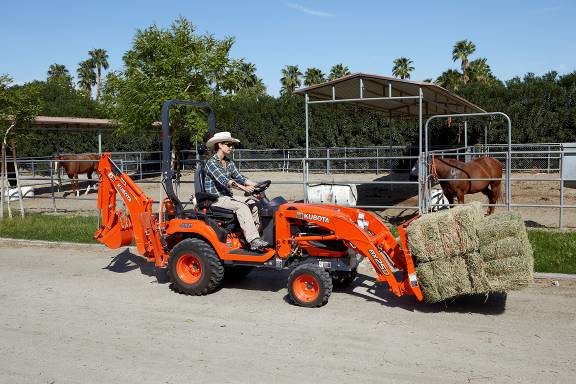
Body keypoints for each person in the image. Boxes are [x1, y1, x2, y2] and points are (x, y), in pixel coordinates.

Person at [204, 132, 270, 251]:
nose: (231, 147)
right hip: (215, 199)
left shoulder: (229, 162)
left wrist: (257, 185)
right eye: (228, 144)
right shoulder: (211, 163)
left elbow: (240, 177)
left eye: (232, 145)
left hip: (227, 198)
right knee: (242, 207)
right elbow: (225, 181)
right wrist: (244, 188)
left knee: (253, 203)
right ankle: (253, 240)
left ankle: (253, 237)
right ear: (219, 145)